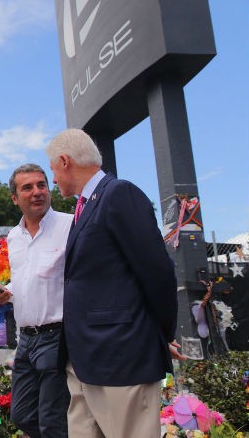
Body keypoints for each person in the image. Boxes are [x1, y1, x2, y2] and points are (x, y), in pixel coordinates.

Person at [46, 128, 185, 438]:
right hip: (84, 360)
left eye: (52, 169)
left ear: (65, 161)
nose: (53, 180)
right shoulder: (86, 207)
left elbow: (157, 271)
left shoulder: (119, 194)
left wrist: (161, 333)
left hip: (121, 358)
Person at [0, 163, 73, 438]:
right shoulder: (14, 237)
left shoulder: (70, 225)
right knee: (22, 414)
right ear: (15, 198)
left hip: (57, 336)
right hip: (25, 340)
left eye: (41, 185)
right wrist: (8, 292)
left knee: (52, 420)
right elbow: (27, 278)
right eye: (27, 187)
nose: (37, 192)